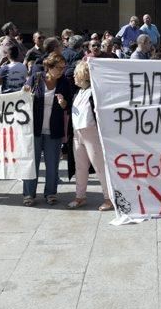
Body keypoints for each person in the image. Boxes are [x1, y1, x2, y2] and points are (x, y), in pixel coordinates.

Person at [23, 54, 71, 206]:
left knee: (52, 164)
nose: (62, 71)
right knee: (32, 163)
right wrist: (26, 94)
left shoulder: (65, 82)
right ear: (48, 67)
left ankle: (50, 193)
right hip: (34, 129)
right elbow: (22, 99)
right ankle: (29, 194)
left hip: (54, 129)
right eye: (58, 68)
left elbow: (69, 105)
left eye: (63, 68)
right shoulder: (36, 78)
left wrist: (63, 103)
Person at [68, 61, 113, 211]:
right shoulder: (78, 92)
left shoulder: (94, 92)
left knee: (99, 167)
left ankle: (109, 198)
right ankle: (80, 196)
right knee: (80, 167)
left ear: (84, 75)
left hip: (91, 133)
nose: (74, 76)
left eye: (76, 73)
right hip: (77, 133)